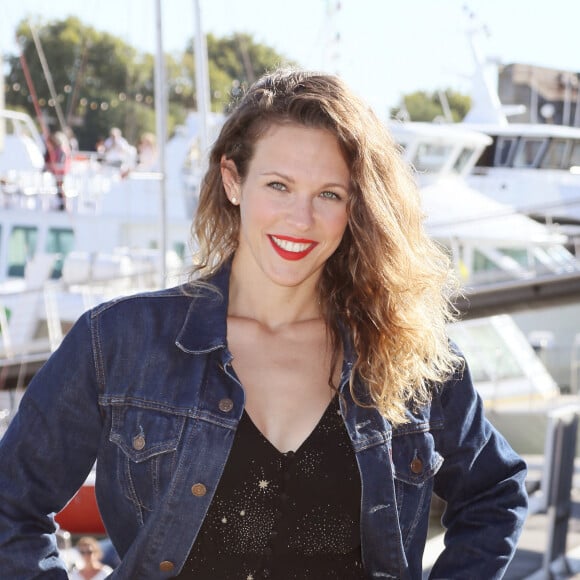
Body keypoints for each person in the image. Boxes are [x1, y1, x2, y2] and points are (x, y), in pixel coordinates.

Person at [0, 68, 527, 578]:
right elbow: (10, 506)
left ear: (356, 206)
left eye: (329, 194)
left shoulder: (403, 352)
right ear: (233, 180)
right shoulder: (119, 342)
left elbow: (494, 491)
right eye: (278, 185)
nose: (301, 219)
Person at [44, 130, 71, 210]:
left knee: (60, 188)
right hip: (58, 173)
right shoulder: (59, 149)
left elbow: (60, 162)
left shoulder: (62, 150)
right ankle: (61, 204)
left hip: (61, 173)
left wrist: (52, 167)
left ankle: (63, 205)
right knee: (59, 188)